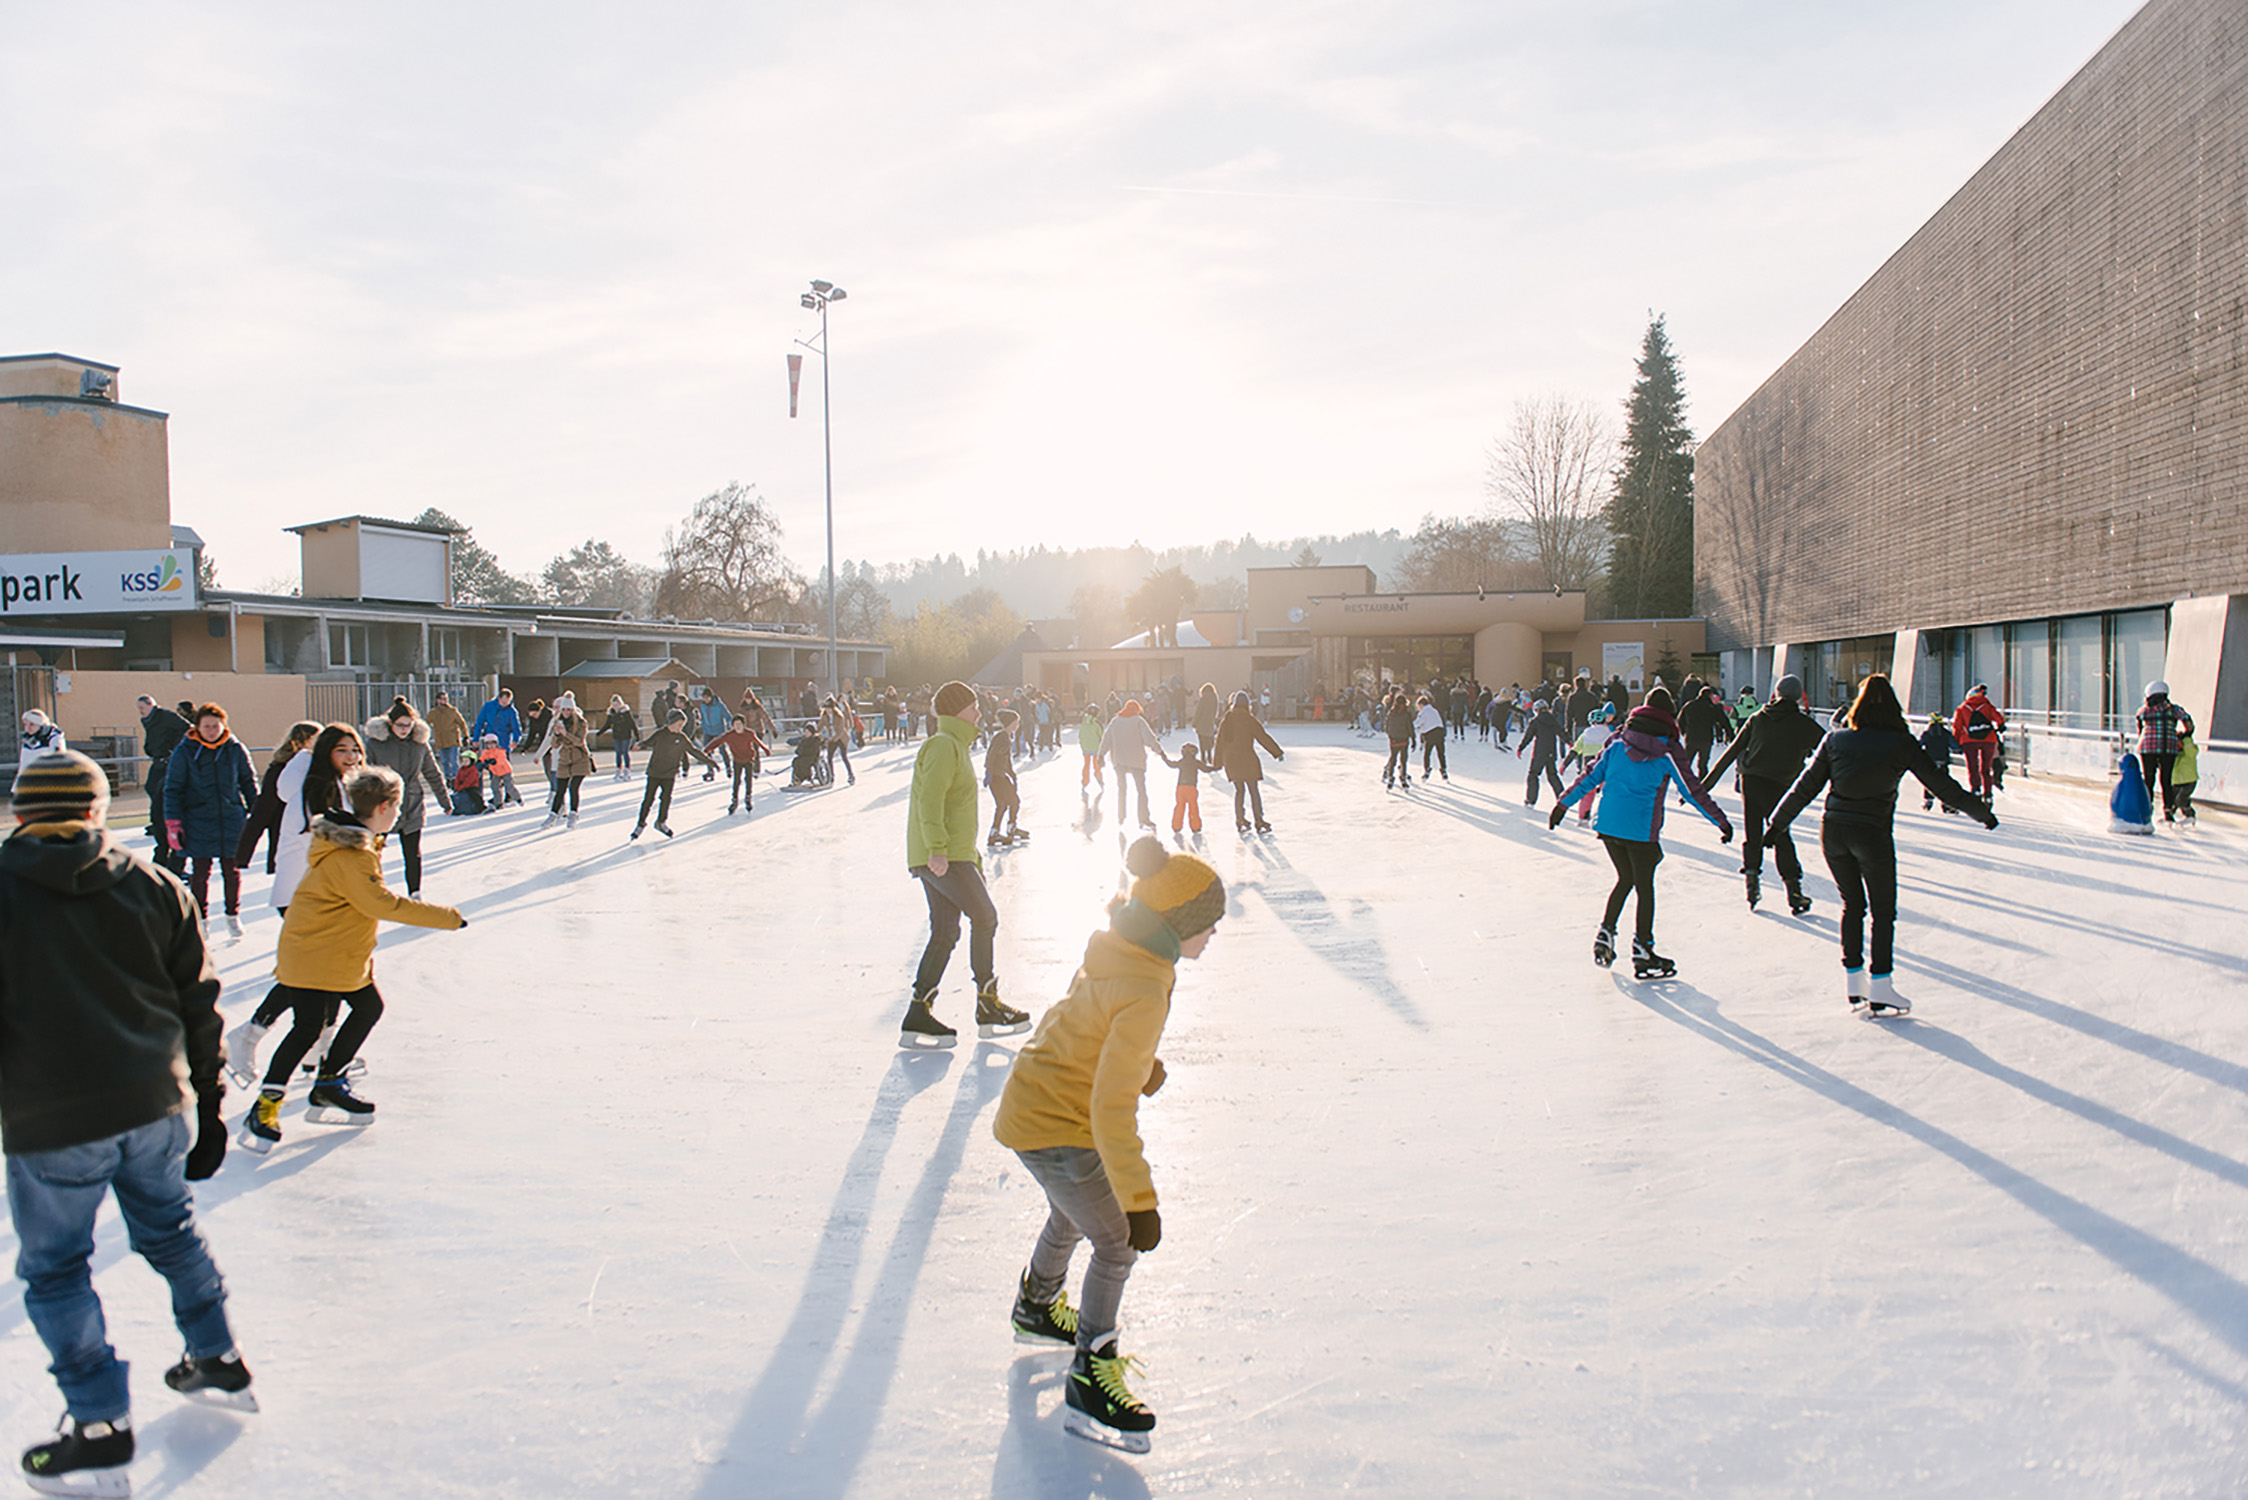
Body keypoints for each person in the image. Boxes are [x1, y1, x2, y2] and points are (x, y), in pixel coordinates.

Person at [1, 751, 255, 1493]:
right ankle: (217, 1357)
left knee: (55, 1269)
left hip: (53, 1118)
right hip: (155, 1105)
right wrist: (209, 1104)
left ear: (22, 813)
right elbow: (198, 1000)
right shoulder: (153, 883)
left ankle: (99, 1422)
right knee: (171, 1232)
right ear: (97, 810)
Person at [992, 836, 1222, 1454]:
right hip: (1057, 1122)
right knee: (1116, 1237)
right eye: (1209, 924)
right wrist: (1138, 1202)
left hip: (1032, 1098)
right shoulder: (1147, 986)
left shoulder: (1118, 948)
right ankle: (1092, 1375)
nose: (1214, 936)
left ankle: (1037, 1307)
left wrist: (1139, 1062)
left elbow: (1084, 1017)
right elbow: (1110, 1111)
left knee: (1070, 1212)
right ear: (1179, 925)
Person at [241, 765, 467, 1152]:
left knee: (365, 1007)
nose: (399, 814)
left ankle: (328, 1082)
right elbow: (380, 903)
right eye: (397, 807)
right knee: (309, 1027)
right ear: (383, 808)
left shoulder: (357, 844)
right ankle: (265, 1106)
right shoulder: (353, 854)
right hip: (316, 955)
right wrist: (445, 917)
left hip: (334, 953)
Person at [1770, 674, 1996, 1017]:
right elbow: (1942, 786)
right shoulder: (1901, 742)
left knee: (1852, 905)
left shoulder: (1835, 739)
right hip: (1871, 834)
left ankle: (1854, 982)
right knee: (1883, 911)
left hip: (1834, 833)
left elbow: (1804, 788)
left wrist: (1775, 825)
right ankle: (1881, 985)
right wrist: (1983, 814)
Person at [1547, 690, 1732, 978]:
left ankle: (1606, 933)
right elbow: (1692, 790)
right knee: (1644, 886)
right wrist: (1720, 821)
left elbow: (1591, 775)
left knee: (1626, 879)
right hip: (1641, 829)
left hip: (1607, 824)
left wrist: (1563, 804)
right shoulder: (1668, 750)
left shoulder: (1618, 740)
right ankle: (1643, 949)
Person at [900, 681, 1028, 1048]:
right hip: (942, 857)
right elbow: (930, 801)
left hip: (950, 854)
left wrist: (970, 856)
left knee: (945, 932)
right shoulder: (943, 746)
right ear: (957, 710)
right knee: (985, 917)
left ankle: (918, 1013)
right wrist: (938, 849)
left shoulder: (955, 746)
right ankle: (988, 1005)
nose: (978, 712)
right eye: (973, 706)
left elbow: (955, 811)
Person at [1703, 674, 1826, 912]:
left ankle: (1752, 882)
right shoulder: (1802, 723)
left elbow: (1732, 752)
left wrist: (1704, 786)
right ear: (1798, 696)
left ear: (1776, 694)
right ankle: (1794, 892)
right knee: (1780, 833)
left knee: (1753, 830)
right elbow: (1829, 749)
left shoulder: (1758, 718)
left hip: (1751, 781)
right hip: (1780, 784)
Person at [163, 703, 259, 941]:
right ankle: (201, 919)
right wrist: (173, 823)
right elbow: (173, 789)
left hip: (230, 818)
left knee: (232, 870)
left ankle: (232, 915)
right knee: (200, 872)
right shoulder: (185, 751)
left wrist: (255, 812)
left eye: (216, 726)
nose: (212, 730)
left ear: (223, 726)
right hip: (197, 819)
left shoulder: (235, 749)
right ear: (197, 727)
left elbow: (248, 781)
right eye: (206, 726)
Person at [363, 698, 455, 888]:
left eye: (408, 725)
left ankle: (415, 892)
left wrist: (445, 801)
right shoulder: (375, 744)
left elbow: (432, 773)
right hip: (383, 804)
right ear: (390, 723)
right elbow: (364, 775)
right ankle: (371, 890)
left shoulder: (419, 744)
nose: (405, 729)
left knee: (412, 853)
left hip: (411, 803)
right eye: (400, 725)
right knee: (373, 852)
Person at [237, 721, 324, 876]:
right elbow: (262, 811)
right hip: (289, 837)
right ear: (307, 741)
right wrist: (242, 856)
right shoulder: (282, 769)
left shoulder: (325, 767)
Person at [631, 711, 716, 840]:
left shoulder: (681, 738)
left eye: (681, 726)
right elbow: (648, 742)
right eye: (677, 725)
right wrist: (640, 745)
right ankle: (641, 824)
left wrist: (710, 761)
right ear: (670, 722)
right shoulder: (660, 734)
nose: (679, 728)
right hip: (655, 772)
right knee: (648, 799)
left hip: (669, 774)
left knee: (666, 799)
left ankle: (661, 822)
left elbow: (694, 751)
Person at [1214, 690, 1284, 833]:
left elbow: (1219, 742)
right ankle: (1259, 820)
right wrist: (1277, 753)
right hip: (1247, 760)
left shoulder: (1226, 719)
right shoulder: (1249, 719)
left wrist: (1217, 762)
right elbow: (1263, 737)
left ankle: (1240, 820)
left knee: (1239, 791)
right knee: (1253, 791)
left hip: (1231, 761)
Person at [138, 694, 191, 874]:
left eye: (143, 708)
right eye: (139, 709)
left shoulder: (165, 717)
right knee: (153, 791)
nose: (141, 712)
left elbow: (187, 729)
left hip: (167, 762)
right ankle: (161, 860)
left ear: (151, 706)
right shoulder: (150, 720)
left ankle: (174, 864)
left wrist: (173, 751)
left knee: (165, 799)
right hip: (159, 762)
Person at [2135, 680, 2195, 824]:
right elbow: (2189, 724)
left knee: (2148, 779)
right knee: (2166, 780)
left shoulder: (2143, 710)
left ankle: (2146, 810)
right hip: (2168, 747)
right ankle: (2168, 812)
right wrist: (2183, 735)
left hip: (2147, 747)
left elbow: (2139, 727)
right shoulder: (2174, 709)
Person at [538, 694, 596, 831]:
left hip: (579, 758)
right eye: (564, 710)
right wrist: (557, 734)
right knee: (560, 789)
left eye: (569, 710)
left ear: (573, 710)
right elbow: (555, 745)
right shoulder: (557, 722)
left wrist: (565, 733)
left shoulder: (581, 723)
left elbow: (579, 741)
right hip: (564, 759)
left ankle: (573, 814)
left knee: (573, 788)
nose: (566, 713)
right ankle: (552, 815)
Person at [1100, 701, 1161, 828]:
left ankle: (1121, 816)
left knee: (1122, 788)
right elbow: (1149, 739)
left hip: (1119, 759)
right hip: (1136, 760)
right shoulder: (1138, 721)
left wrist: (1100, 755)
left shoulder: (1115, 721)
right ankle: (1144, 818)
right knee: (1141, 790)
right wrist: (1159, 750)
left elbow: (1106, 739)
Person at [1950, 684, 2006, 799]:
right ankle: (1988, 793)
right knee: (1986, 768)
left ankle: (1976, 789)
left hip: (1969, 740)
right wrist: (2000, 726)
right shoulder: (1988, 706)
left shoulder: (1962, 708)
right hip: (1989, 739)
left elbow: (1957, 727)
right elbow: (1999, 719)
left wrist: (1956, 742)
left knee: (1972, 767)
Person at [708, 716, 770, 815]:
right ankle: (734, 799)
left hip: (749, 759)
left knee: (748, 779)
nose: (737, 727)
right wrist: (707, 749)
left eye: (739, 724)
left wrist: (765, 749)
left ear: (743, 725)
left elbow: (757, 742)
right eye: (735, 725)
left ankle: (748, 797)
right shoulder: (729, 735)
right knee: (737, 780)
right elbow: (717, 741)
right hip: (737, 760)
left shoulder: (749, 733)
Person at [1155, 735, 1215, 836]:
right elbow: (1206, 769)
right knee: (1193, 807)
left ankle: (1176, 826)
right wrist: (1217, 767)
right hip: (1191, 787)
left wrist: (1163, 756)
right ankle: (1195, 827)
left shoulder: (1181, 762)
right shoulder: (1195, 762)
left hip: (1180, 788)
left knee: (1179, 807)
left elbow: (1171, 764)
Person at [1516, 695, 1566, 806]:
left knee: (1533, 774)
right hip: (1551, 752)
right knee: (1552, 775)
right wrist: (1569, 742)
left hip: (1539, 753)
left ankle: (1531, 799)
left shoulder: (1535, 721)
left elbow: (1528, 736)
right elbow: (1561, 732)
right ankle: (1562, 796)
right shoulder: (1553, 720)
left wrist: (1520, 748)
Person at [986, 710, 1024, 847]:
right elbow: (992, 755)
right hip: (997, 776)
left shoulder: (1007, 737)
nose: (1017, 725)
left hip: (1002, 774)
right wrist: (989, 772)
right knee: (1007, 803)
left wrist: (1012, 773)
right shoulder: (1001, 737)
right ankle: (997, 832)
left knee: (1009, 803)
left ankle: (1006, 829)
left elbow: (1006, 759)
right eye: (1015, 723)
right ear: (1009, 723)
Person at [1916, 712, 1959, 813]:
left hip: (1929, 760)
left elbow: (1919, 745)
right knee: (1944, 782)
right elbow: (1955, 747)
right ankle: (1946, 804)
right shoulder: (1946, 733)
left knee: (1929, 780)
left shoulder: (1926, 734)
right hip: (1943, 760)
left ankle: (1928, 800)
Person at [426, 690, 470, 783]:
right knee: (444, 762)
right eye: (442, 699)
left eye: (446, 699)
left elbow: (462, 723)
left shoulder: (452, 711)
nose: (445, 701)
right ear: (438, 700)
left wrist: (465, 736)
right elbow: (426, 723)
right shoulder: (434, 712)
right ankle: (448, 778)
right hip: (441, 741)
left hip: (452, 740)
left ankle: (456, 778)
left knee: (453, 761)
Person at [470, 687, 520, 755]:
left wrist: (515, 740)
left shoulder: (512, 711)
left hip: (504, 740)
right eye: (503, 702)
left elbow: (516, 727)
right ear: (499, 698)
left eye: (507, 702)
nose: (505, 704)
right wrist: (476, 738)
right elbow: (480, 722)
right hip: (490, 739)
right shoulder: (488, 706)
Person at [1382, 691, 1415, 789]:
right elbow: (1410, 727)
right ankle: (1403, 776)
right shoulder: (1406, 714)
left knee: (1393, 758)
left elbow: (1386, 726)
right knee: (1403, 759)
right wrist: (1413, 738)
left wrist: (1390, 735)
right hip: (1404, 738)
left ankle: (1391, 776)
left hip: (1394, 739)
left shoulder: (1391, 712)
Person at [822, 696, 858, 788]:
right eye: (826, 709)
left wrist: (833, 738)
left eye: (829, 709)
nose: (828, 711)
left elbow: (841, 730)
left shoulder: (839, 716)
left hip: (841, 738)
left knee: (844, 756)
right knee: (829, 757)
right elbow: (820, 726)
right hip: (832, 738)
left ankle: (851, 775)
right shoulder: (824, 716)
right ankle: (831, 776)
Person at [1415, 693, 1448, 782]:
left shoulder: (1424, 712)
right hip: (1439, 732)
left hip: (1430, 733)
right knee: (1441, 753)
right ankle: (1443, 770)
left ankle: (1427, 769)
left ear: (1421, 704)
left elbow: (1417, 723)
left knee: (1427, 753)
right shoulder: (1434, 710)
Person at [604, 696, 638, 782]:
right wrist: (600, 732)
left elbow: (632, 724)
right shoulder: (611, 713)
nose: (615, 707)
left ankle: (627, 771)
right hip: (617, 736)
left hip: (626, 735)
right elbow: (608, 724)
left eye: (617, 705)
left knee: (625, 751)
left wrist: (637, 736)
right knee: (618, 752)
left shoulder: (625, 712)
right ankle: (618, 770)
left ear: (620, 704)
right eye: (613, 705)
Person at [1077, 707, 1106, 793]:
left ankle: (1085, 780)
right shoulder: (1097, 724)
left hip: (1086, 748)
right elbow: (1101, 736)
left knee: (1086, 764)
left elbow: (1080, 735)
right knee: (1096, 765)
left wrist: (1082, 744)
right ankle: (1098, 776)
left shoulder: (1083, 723)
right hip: (1096, 747)